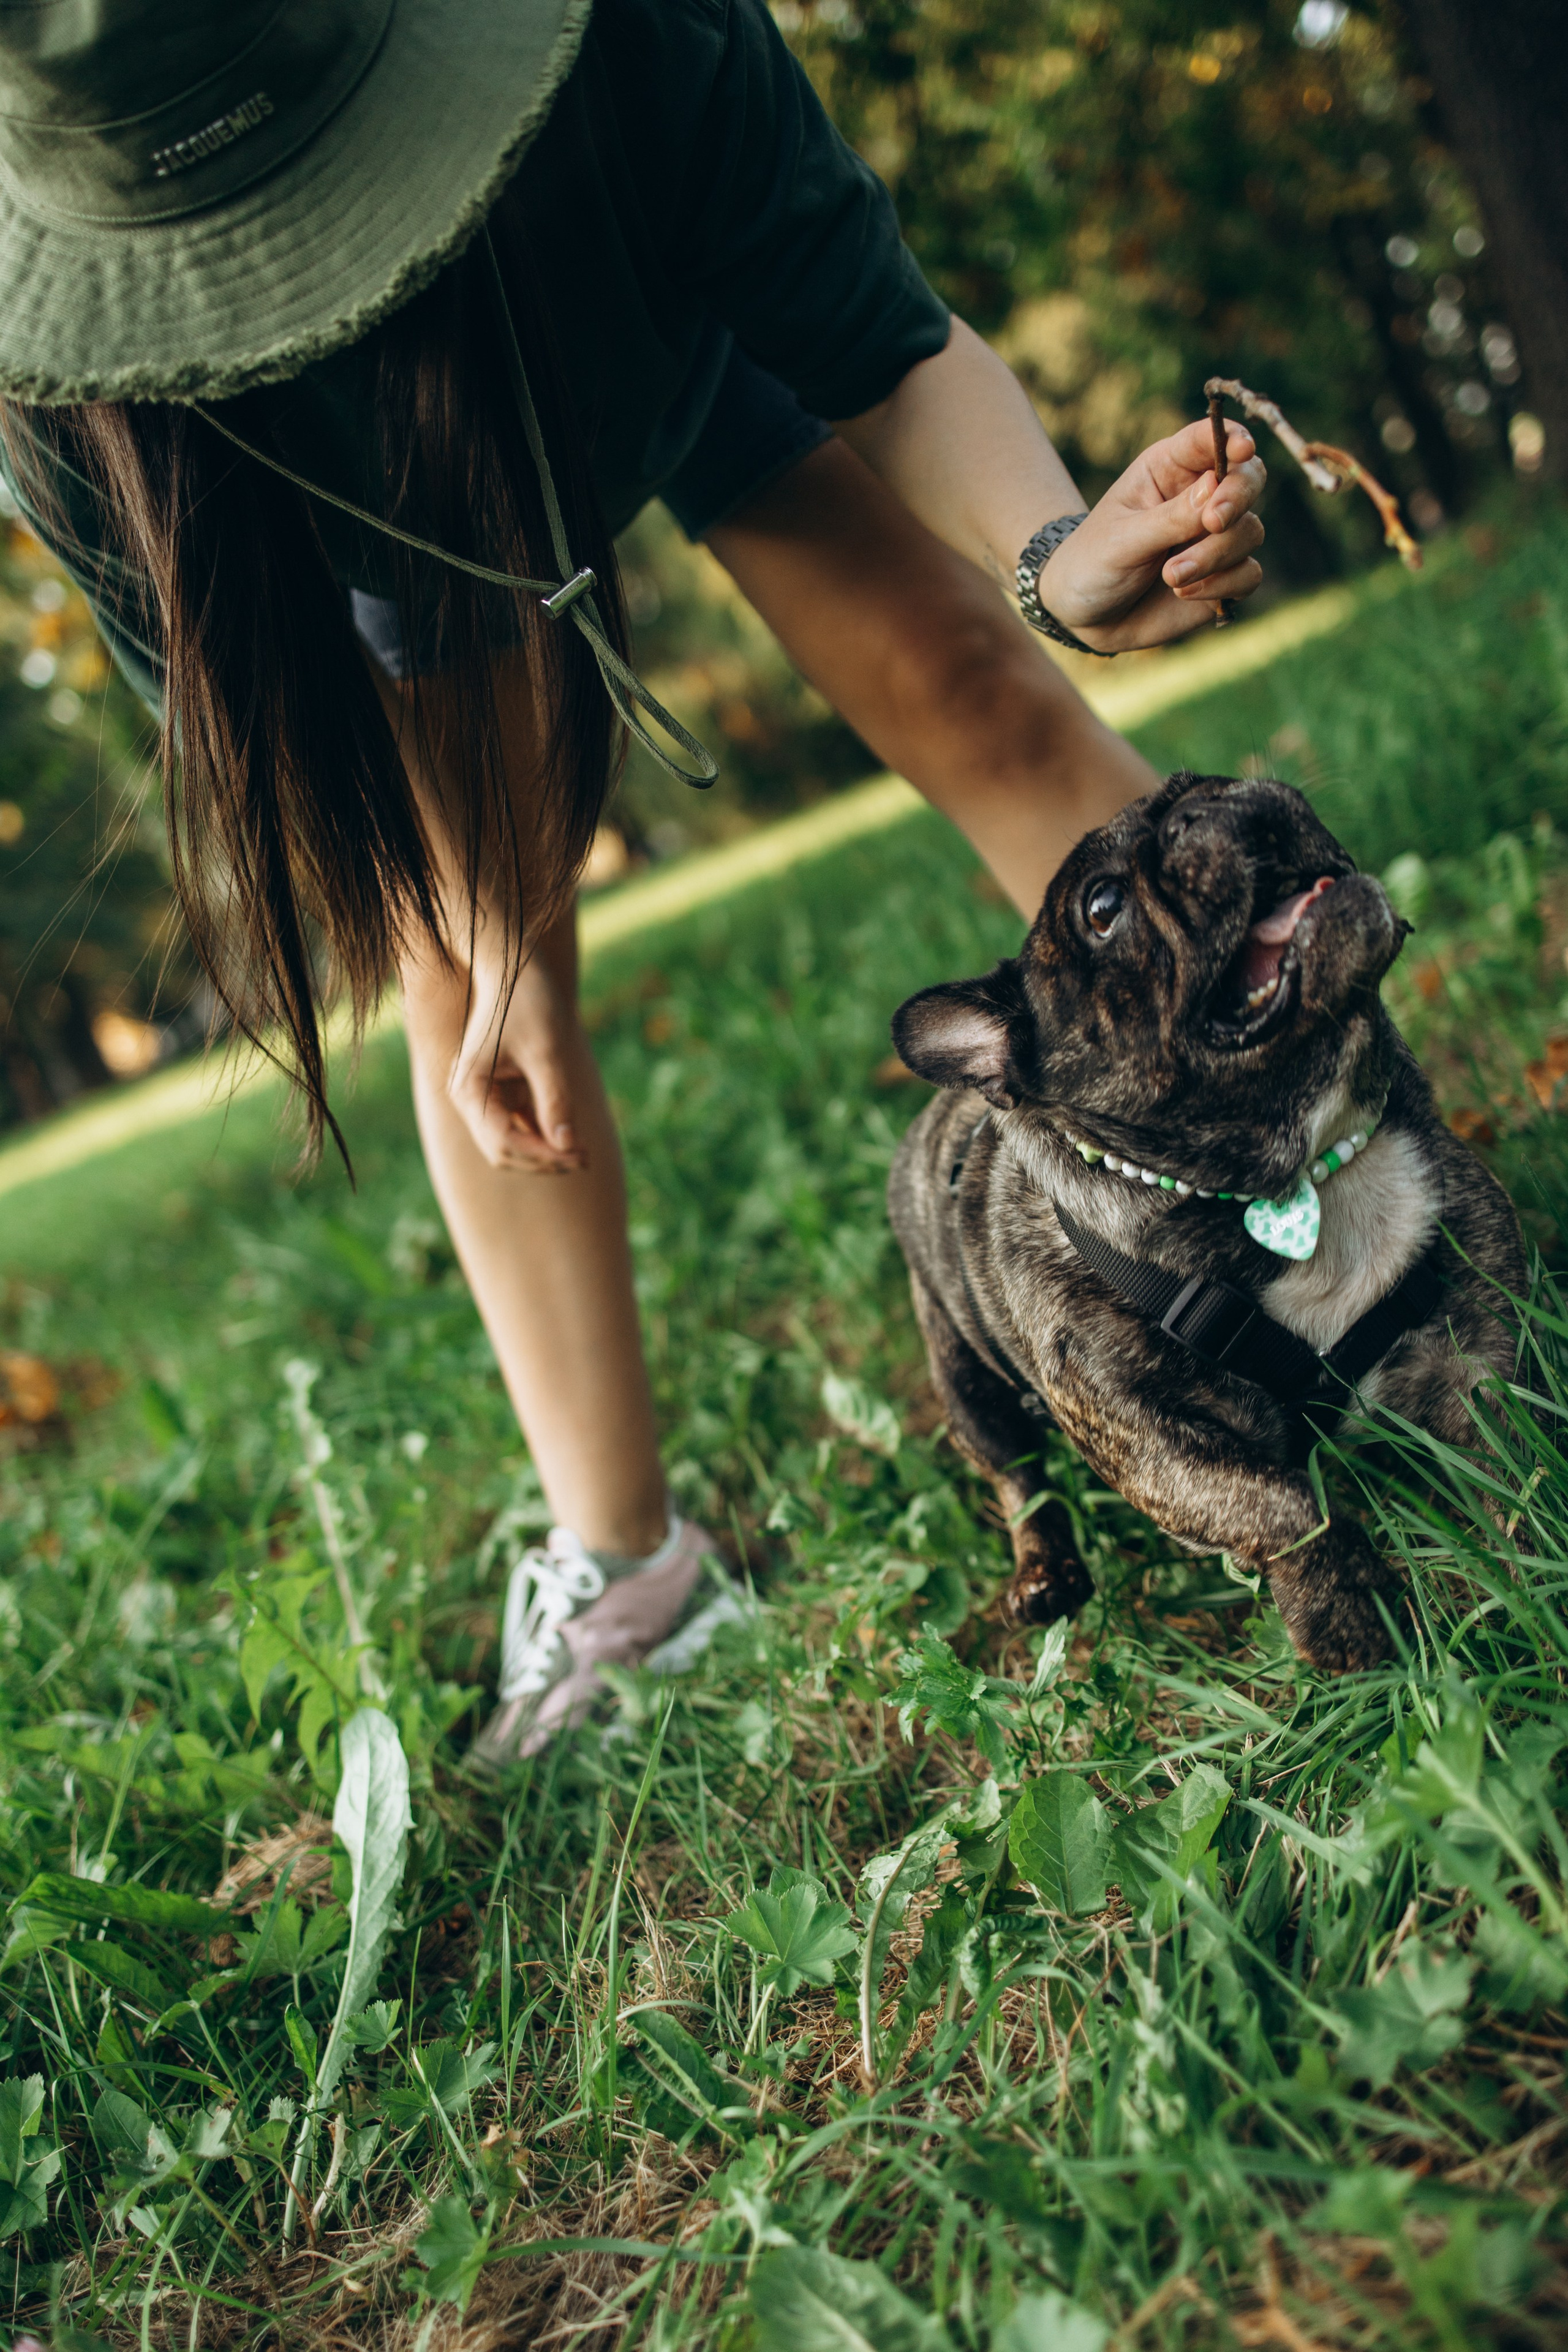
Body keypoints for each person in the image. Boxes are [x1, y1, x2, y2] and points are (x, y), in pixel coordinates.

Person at [0, 0, 1266, 1766]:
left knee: (970, 685)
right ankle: (628, 1569)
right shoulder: (80, 400)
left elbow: (880, 343)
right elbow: (312, 753)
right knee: (466, 988)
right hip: (375, 535)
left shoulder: (622, 44)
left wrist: (1059, 560)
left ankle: (1317, 1208)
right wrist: (498, 918)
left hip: (641, 304)